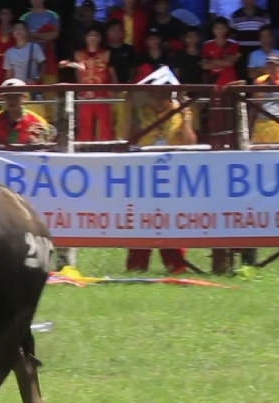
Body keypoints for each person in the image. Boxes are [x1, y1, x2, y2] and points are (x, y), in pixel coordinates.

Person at [126, 68, 194, 275]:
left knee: (170, 220)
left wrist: (185, 115)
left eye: (164, 94)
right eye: (155, 94)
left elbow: (191, 143)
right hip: (145, 173)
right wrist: (128, 108)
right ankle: (137, 267)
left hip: (172, 174)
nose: (158, 99)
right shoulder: (142, 111)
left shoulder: (182, 111)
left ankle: (176, 265)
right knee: (143, 219)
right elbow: (127, 138)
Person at [60, 25, 112, 141]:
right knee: (84, 123)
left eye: (96, 35)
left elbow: (111, 73)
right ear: (85, 38)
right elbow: (75, 70)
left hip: (102, 94)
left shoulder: (107, 54)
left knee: (104, 123)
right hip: (85, 94)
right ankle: (84, 146)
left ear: (100, 38)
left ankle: (107, 146)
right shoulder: (78, 54)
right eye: (90, 35)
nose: (93, 37)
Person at [0, 77, 55, 145]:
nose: (12, 100)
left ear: (24, 98)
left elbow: (49, 142)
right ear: (2, 98)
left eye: (16, 96)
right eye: (8, 97)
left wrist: (38, 141)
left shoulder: (36, 121)